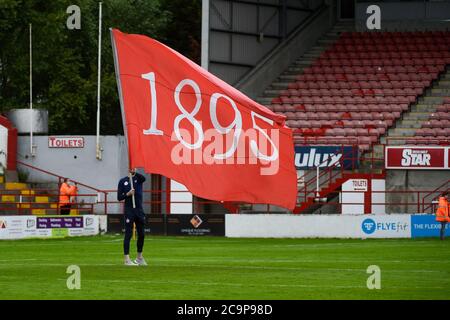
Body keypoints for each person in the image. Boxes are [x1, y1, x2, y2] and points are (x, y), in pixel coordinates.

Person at [117, 168, 147, 266]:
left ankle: (139, 258)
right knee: (128, 234)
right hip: (129, 210)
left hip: (139, 210)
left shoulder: (139, 178)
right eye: (131, 167)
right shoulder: (123, 181)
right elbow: (119, 197)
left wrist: (134, 173)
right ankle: (127, 259)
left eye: (134, 167)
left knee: (142, 234)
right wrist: (128, 194)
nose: (132, 168)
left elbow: (144, 178)